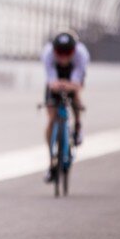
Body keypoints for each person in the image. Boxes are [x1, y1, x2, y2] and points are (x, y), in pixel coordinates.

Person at [41, 31, 90, 183]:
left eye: (67, 53)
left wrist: (71, 86)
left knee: (75, 97)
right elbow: (51, 79)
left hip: (72, 74)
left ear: (73, 51)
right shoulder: (48, 53)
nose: (63, 57)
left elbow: (77, 82)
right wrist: (56, 85)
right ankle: (51, 163)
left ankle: (78, 126)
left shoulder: (81, 54)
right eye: (59, 53)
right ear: (54, 51)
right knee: (51, 117)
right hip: (56, 79)